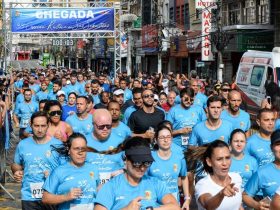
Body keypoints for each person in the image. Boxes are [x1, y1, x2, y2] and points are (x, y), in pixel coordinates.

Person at [94, 136, 180, 210]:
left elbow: (175, 207)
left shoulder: (155, 183)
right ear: (125, 160)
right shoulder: (111, 186)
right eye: (137, 163)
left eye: (146, 163)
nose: (142, 168)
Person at [11, 111, 63, 210]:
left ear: (48, 125)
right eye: (36, 126)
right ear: (31, 125)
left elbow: (66, 169)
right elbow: (15, 164)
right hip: (29, 197)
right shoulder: (23, 144)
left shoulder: (58, 145)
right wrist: (16, 171)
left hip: (52, 196)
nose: (39, 130)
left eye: (43, 126)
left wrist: (53, 175)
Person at [42, 133, 100, 210]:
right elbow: (45, 198)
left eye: (83, 149)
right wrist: (66, 197)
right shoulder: (59, 171)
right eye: (76, 149)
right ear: (69, 150)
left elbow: (98, 192)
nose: (80, 152)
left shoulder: (94, 169)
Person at [186, 140, 243, 210]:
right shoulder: (202, 185)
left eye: (227, 158)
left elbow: (238, 206)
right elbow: (208, 205)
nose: (224, 163)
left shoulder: (236, 178)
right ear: (209, 162)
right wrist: (221, 194)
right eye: (219, 159)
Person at [148, 125, 190, 209]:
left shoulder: (180, 157)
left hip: (174, 203)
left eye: (168, 137)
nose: (166, 140)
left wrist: (187, 199)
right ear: (156, 140)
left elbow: (184, 177)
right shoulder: (149, 158)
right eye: (162, 137)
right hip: (155, 203)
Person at [243, 129, 280, 209]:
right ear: (271, 147)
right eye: (278, 144)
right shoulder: (262, 172)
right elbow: (245, 195)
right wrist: (256, 205)